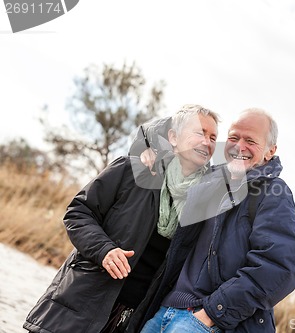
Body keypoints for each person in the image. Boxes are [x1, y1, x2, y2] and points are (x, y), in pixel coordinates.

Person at [23, 104, 220, 333]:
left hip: (132, 318)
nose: (207, 142)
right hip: (82, 302)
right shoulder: (133, 169)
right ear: (173, 137)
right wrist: (104, 250)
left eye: (213, 137)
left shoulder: (205, 202)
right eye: (199, 132)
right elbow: (78, 212)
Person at [139, 108, 295, 333]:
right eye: (233, 137)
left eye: (250, 140)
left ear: (270, 151)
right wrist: (149, 149)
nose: (239, 146)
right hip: (164, 311)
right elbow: (174, 141)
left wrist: (211, 313)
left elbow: (283, 265)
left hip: (207, 322)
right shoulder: (206, 180)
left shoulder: (273, 192)